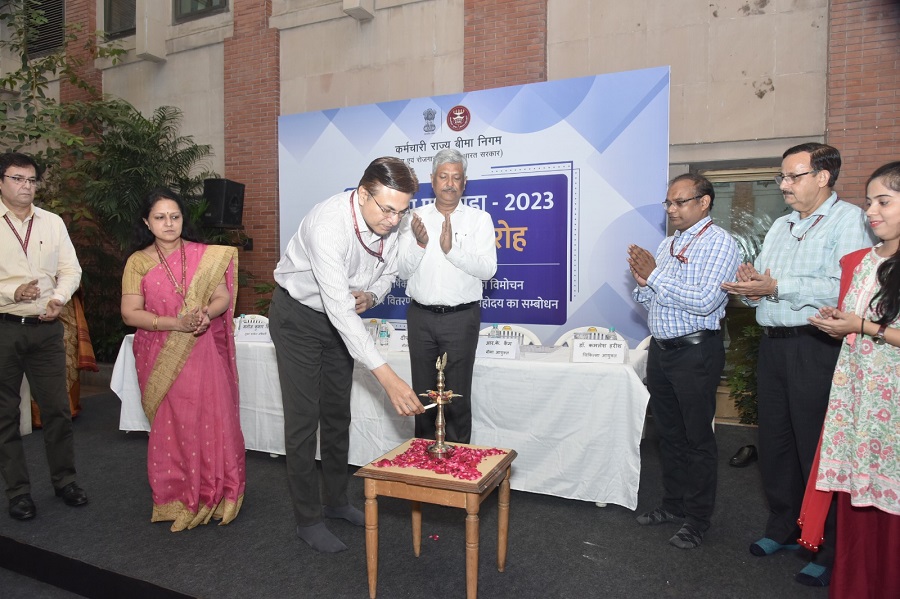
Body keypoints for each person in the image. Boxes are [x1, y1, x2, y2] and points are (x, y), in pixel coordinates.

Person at [721, 143, 873, 586]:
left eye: (793, 176)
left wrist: (775, 286)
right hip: (773, 345)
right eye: (782, 177)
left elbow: (844, 288)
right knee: (776, 441)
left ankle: (827, 546)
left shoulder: (850, 222)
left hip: (816, 345)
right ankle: (784, 527)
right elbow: (768, 284)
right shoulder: (780, 225)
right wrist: (753, 287)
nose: (784, 185)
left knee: (816, 446)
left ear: (823, 177)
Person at [270, 156, 425, 553]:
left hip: (340, 320)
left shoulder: (396, 220)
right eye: (387, 209)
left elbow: (390, 273)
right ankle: (308, 520)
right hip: (298, 319)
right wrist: (388, 378)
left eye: (401, 211)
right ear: (362, 194)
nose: (394, 220)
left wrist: (372, 295)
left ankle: (336, 502)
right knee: (304, 422)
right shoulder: (328, 224)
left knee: (338, 415)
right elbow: (338, 309)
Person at [802, 161, 900, 598]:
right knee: (859, 501)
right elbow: (861, 319)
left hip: (893, 404)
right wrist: (840, 322)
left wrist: (861, 326)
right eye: (869, 202)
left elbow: (871, 325)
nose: (871, 211)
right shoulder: (866, 262)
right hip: (860, 398)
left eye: (883, 202)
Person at [120, 188, 244, 532]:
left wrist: (206, 314)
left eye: (174, 216)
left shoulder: (205, 256)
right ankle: (176, 494)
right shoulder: (138, 262)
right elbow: (130, 313)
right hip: (160, 352)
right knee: (173, 424)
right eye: (160, 217)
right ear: (147, 222)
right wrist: (175, 323)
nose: (169, 223)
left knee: (213, 417)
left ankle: (217, 492)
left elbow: (221, 296)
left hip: (203, 350)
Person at [628, 173, 740, 549]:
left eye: (680, 202)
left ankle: (697, 518)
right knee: (668, 435)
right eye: (669, 203)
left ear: (704, 202)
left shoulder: (719, 243)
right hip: (662, 351)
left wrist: (656, 276)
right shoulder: (668, 244)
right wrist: (643, 284)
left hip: (696, 352)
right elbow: (654, 301)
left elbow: (705, 301)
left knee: (697, 439)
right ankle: (673, 505)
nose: (671, 209)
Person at [0, 152, 87, 521]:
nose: (26, 186)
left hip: (47, 329)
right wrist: (12, 292)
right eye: (17, 178)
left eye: (32, 180)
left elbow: (71, 269)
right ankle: (18, 492)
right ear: (1, 182)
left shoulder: (52, 222)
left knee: (57, 411)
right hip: (4, 328)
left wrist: (58, 298)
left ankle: (65, 481)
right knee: (5, 416)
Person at [398, 149, 497, 443]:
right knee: (422, 397)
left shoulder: (479, 219)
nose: (450, 184)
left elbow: (488, 270)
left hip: (460, 319)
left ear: (464, 182)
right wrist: (419, 243)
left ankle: (457, 464)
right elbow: (402, 271)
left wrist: (452, 250)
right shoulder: (413, 218)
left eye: (456, 177)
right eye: (444, 177)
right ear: (432, 180)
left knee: (456, 398)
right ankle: (424, 461)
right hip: (421, 318)